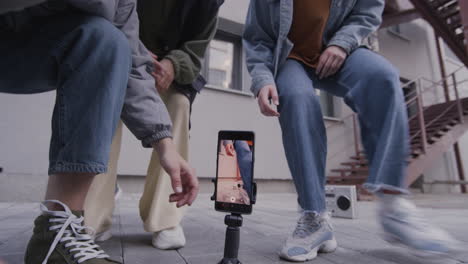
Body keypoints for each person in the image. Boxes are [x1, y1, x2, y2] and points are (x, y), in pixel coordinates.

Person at [243, 0, 460, 262]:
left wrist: (341, 43)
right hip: (290, 58)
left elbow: (368, 9)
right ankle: (314, 217)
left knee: (382, 77)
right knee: (297, 98)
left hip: (339, 49)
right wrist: (263, 79)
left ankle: (393, 204)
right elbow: (257, 37)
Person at [0, 1, 198, 263]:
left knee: (107, 41)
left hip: (29, 46)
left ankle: (57, 234)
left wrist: (165, 143)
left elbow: (133, 64)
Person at [83, 0, 224, 250]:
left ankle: (165, 216)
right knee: (107, 103)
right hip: (118, 56)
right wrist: (133, 51)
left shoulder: (209, 3)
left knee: (179, 104)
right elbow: (104, 15)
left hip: (165, 73)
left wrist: (172, 65)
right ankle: (92, 215)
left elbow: (195, 51)